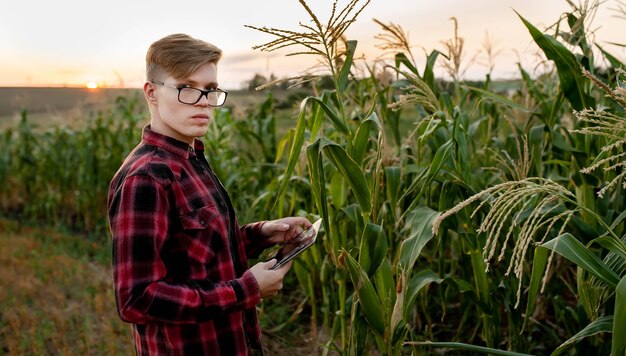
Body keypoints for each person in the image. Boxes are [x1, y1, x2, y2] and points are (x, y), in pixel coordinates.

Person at [107, 33, 311, 355]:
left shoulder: (190, 161)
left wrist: (260, 235)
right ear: (152, 93)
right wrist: (247, 289)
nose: (203, 100)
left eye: (211, 90)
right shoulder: (147, 179)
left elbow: (194, 255)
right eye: (187, 87)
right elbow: (137, 299)